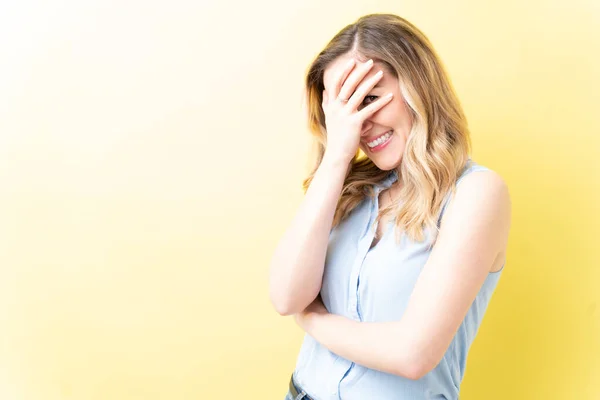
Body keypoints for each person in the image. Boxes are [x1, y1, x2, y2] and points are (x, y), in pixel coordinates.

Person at [268, 13, 511, 400]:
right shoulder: (346, 189)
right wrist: (335, 158)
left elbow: (412, 353)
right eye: (343, 111)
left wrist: (313, 318)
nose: (359, 124)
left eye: (369, 99)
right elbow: (285, 295)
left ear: (417, 86)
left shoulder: (476, 193)